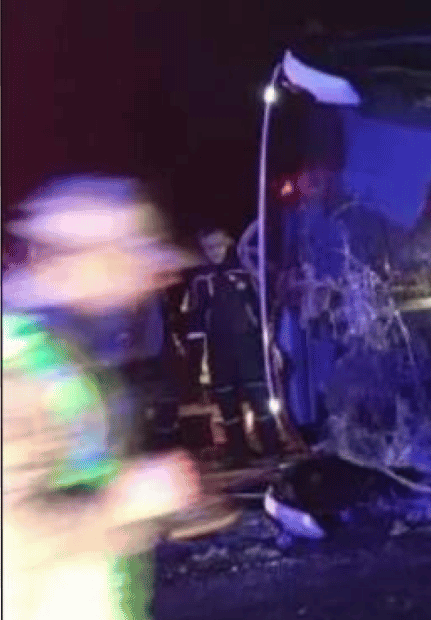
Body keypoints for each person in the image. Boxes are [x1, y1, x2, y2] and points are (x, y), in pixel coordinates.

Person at [2, 175, 203, 620]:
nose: (144, 284)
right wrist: (121, 505)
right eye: (127, 264)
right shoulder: (17, 365)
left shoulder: (73, 351)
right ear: (86, 262)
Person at [182, 228, 282, 467]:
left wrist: (271, 342)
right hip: (219, 348)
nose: (214, 251)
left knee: (259, 398)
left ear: (229, 242)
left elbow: (263, 307)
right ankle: (238, 452)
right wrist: (195, 359)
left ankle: (272, 448)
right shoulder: (200, 279)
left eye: (218, 245)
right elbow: (196, 320)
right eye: (208, 247)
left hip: (249, 345)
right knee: (226, 402)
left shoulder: (246, 271)